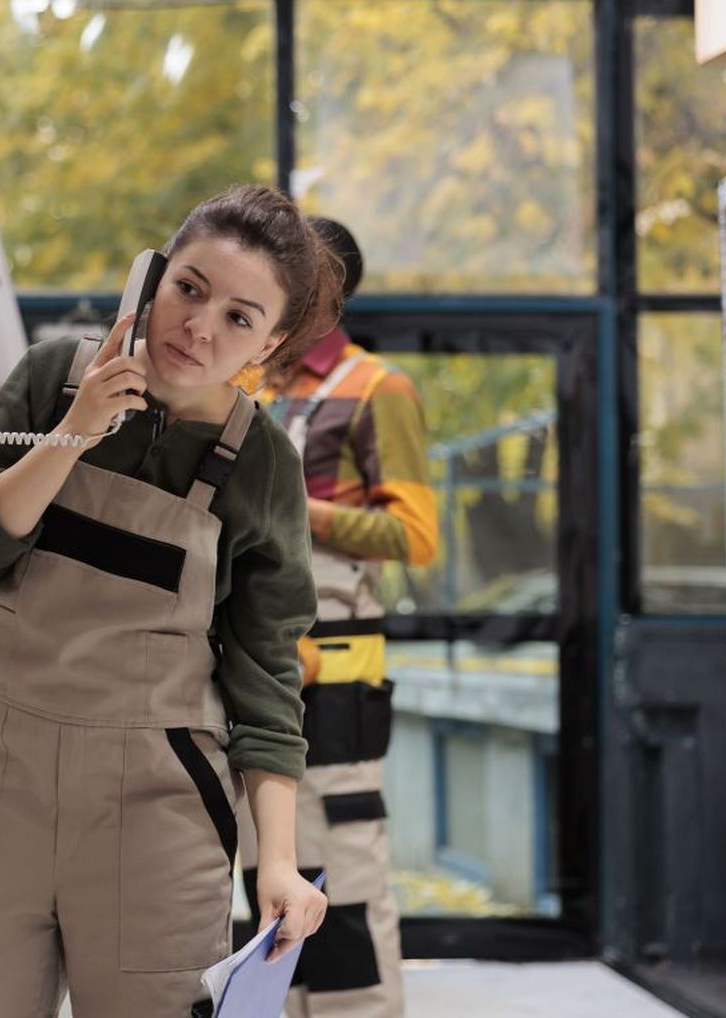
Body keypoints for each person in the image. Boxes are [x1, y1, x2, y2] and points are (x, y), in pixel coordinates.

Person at [0, 185, 340, 1018]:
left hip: (158, 796)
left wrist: (278, 860)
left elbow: (264, 669)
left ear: (273, 339)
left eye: (240, 317)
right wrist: (72, 432)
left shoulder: (260, 465)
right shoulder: (50, 379)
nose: (200, 327)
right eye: (189, 288)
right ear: (152, 276)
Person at [237, 217, 438, 1018]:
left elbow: (416, 536)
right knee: (262, 888)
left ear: (328, 292)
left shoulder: (377, 390)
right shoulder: (246, 385)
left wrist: (300, 508)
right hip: (256, 674)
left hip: (337, 690)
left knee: (345, 892)